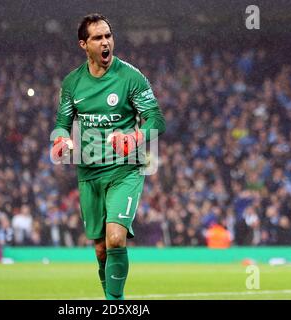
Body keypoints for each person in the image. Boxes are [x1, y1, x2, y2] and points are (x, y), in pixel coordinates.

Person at [51, 14, 165, 300]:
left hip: (124, 170)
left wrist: (136, 137)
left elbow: (155, 119)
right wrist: (61, 139)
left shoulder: (131, 77)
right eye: (98, 38)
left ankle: (116, 304)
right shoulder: (72, 83)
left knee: (116, 239)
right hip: (89, 173)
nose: (106, 42)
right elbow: (62, 124)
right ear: (83, 44)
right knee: (101, 248)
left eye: (108, 36)